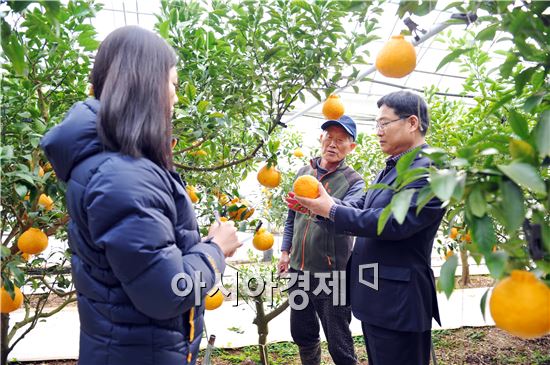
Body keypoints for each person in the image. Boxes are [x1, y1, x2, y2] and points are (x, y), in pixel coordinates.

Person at [41, 26, 241, 365]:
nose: (175, 98)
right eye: (173, 84)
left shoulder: (114, 164)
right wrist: (215, 250)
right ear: (146, 84)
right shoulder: (121, 176)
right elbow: (164, 291)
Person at [290, 91, 445, 365]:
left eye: (383, 124)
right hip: (378, 299)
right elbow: (361, 207)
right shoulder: (394, 167)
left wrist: (330, 209)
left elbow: (393, 222)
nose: (378, 132)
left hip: (399, 304)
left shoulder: (429, 169)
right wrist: (319, 206)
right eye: (377, 125)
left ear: (411, 123)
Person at [278, 115, 365, 365]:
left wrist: (318, 207)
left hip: (332, 273)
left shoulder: (354, 181)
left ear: (352, 147)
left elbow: (349, 217)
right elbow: (291, 216)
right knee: (303, 334)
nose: (333, 144)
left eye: (341, 140)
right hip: (298, 269)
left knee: (339, 341)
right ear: (321, 138)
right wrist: (286, 251)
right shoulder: (304, 173)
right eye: (329, 137)